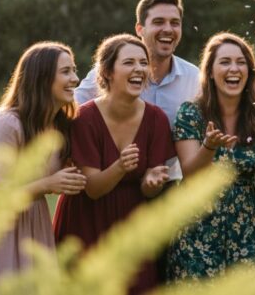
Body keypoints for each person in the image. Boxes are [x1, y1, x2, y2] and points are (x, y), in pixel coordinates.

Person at [0, 42, 88, 294]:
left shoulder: (60, 126)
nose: (75, 78)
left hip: (33, 218)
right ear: (41, 77)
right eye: (66, 71)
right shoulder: (8, 123)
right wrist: (48, 184)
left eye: (74, 70)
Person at [53, 34, 176, 294]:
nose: (139, 69)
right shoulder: (83, 118)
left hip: (132, 225)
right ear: (107, 72)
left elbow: (149, 187)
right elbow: (93, 189)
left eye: (143, 63)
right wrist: (121, 166)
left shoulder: (156, 119)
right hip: (85, 221)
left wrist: (153, 180)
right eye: (129, 62)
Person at [166, 32, 255, 280]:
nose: (234, 68)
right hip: (196, 228)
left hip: (247, 227)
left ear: (250, 70)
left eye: (241, 62)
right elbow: (190, 174)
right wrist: (208, 146)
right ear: (209, 71)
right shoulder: (191, 113)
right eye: (225, 62)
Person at [74, 0, 198, 125]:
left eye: (175, 23)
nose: (168, 29)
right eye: (158, 22)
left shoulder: (194, 78)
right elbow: (70, 110)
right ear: (139, 29)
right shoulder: (109, 72)